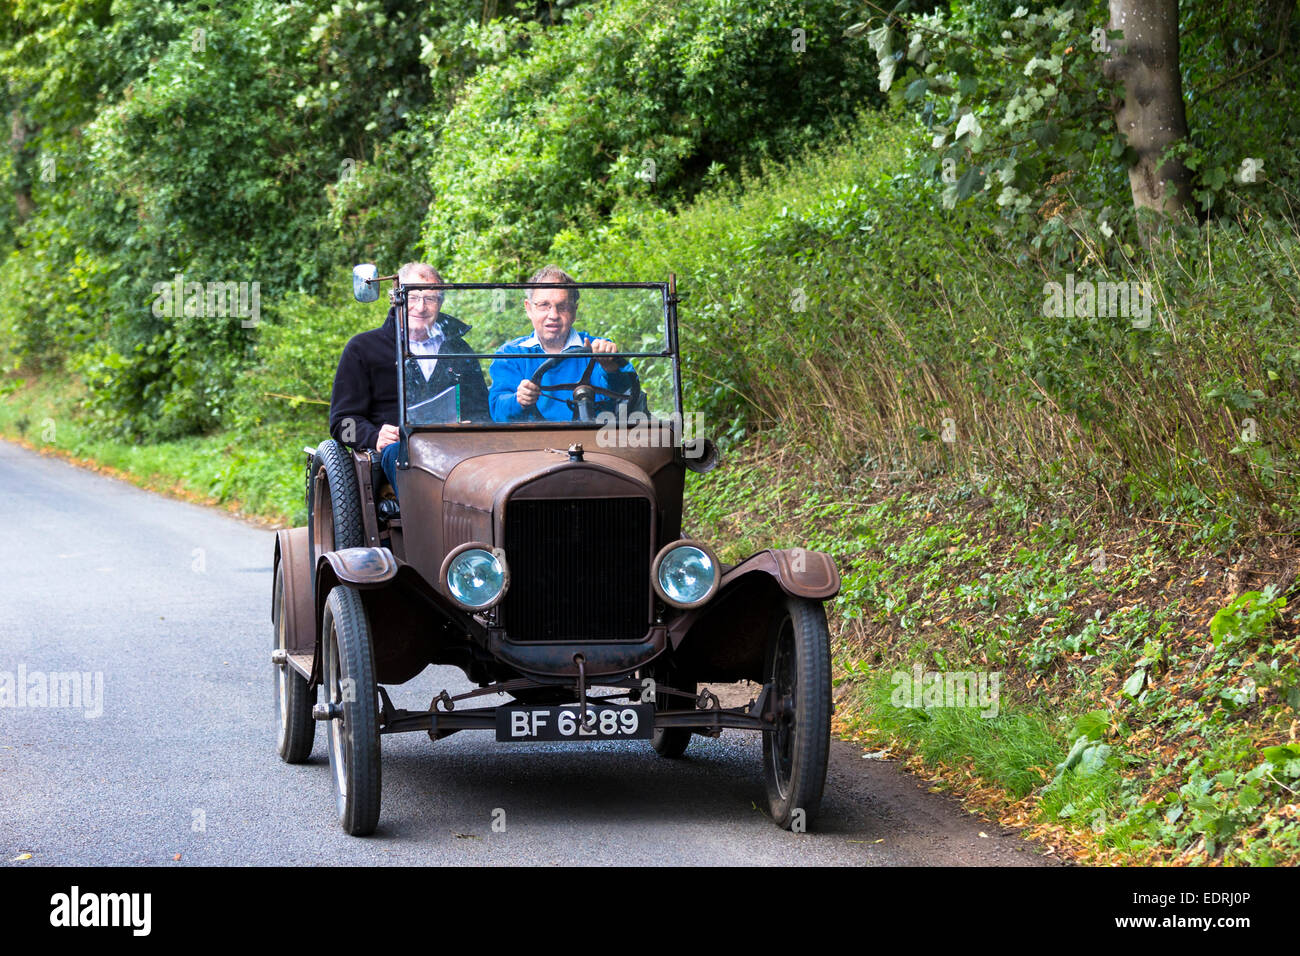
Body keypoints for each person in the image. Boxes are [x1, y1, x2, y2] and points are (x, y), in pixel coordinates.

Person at [329, 262, 489, 496]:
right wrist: (374, 437)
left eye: (430, 299)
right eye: (412, 297)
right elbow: (341, 425)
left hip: (457, 449)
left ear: (441, 303)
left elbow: (483, 412)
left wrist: (472, 426)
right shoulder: (362, 348)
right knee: (406, 455)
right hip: (400, 454)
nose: (420, 307)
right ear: (396, 298)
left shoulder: (459, 349)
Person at [489, 265, 638, 422]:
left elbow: (630, 395)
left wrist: (611, 369)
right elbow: (497, 412)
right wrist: (518, 400)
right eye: (544, 305)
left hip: (595, 435)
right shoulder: (510, 355)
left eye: (563, 307)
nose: (553, 315)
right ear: (529, 309)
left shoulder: (599, 350)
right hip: (533, 437)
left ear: (574, 311)